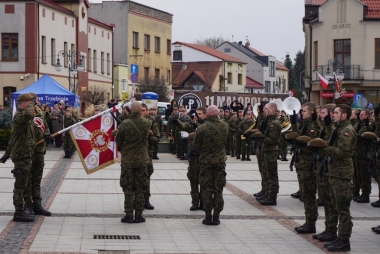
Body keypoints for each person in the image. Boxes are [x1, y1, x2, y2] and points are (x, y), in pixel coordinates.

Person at [316, 104, 356, 251]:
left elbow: (341, 152)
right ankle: (334, 234)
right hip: (334, 172)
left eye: (336, 113)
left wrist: (323, 147)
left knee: (343, 210)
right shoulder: (338, 128)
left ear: (344, 115)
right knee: (334, 206)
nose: (333, 115)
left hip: (342, 175)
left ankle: (344, 240)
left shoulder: (347, 131)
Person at [1, 93, 37, 222]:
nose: (32, 106)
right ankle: (19, 211)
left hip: (25, 155)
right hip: (21, 156)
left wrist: (6, 154)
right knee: (20, 185)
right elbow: (28, 114)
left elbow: (13, 138)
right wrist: (32, 102)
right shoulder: (21, 116)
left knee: (25, 183)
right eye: (30, 103)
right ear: (24, 104)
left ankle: (26, 208)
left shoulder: (24, 118)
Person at [115, 101, 151, 223]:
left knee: (128, 188)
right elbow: (146, 138)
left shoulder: (125, 124)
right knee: (140, 188)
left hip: (128, 161)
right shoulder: (146, 123)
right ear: (141, 110)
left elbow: (119, 141)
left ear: (131, 109)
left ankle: (129, 215)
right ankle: (139, 215)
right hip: (142, 160)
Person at [193, 105, 228, 225]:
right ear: (218, 113)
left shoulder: (202, 128)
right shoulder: (224, 126)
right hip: (220, 162)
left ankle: (208, 217)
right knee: (218, 189)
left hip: (206, 163)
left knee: (207, 189)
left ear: (207, 114)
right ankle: (217, 217)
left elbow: (196, 146)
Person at [290, 102, 320, 234]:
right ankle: (309, 221)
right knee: (306, 195)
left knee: (309, 195)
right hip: (302, 162)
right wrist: (294, 123)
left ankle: (311, 222)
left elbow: (312, 143)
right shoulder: (305, 123)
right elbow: (297, 134)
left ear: (311, 112)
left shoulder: (314, 126)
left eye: (304, 111)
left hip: (308, 164)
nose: (301, 113)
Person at [23, 98, 52, 218]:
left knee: (37, 179)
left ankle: (37, 205)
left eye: (37, 102)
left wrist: (47, 135)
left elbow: (44, 126)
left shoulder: (40, 113)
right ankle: (28, 205)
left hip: (39, 151)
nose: (37, 105)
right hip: (28, 152)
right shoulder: (24, 115)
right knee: (28, 180)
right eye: (34, 103)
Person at [257, 103, 281, 205]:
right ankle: (266, 192)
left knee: (271, 174)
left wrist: (261, 138)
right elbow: (260, 128)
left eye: (266, 109)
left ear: (272, 109)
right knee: (266, 173)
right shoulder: (268, 120)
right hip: (265, 149)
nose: (264, 110)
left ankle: (272, 196)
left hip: (271, 150)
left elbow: (273, 139)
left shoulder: (274, 123)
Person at [142, 104, 160, 210]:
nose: (142, 113)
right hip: (134, 154)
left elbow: (156, 138)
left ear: (147, 111)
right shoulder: (132, 121)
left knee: (146, 177)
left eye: (144, 110)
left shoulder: (151, 122)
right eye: (140, 110)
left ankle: (146, 200)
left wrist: (149, 135)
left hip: (147, 154)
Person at [353, 109, 372, 203]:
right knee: (359, 175)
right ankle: (360, 193)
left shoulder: (369, 125)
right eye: (360, 114)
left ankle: (366, 194)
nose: (360, 116)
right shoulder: (359, 124)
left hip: (364, 155)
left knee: (365, 176)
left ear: (367, 116)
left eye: (362, 115)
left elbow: (362, 135)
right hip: (357, 154)